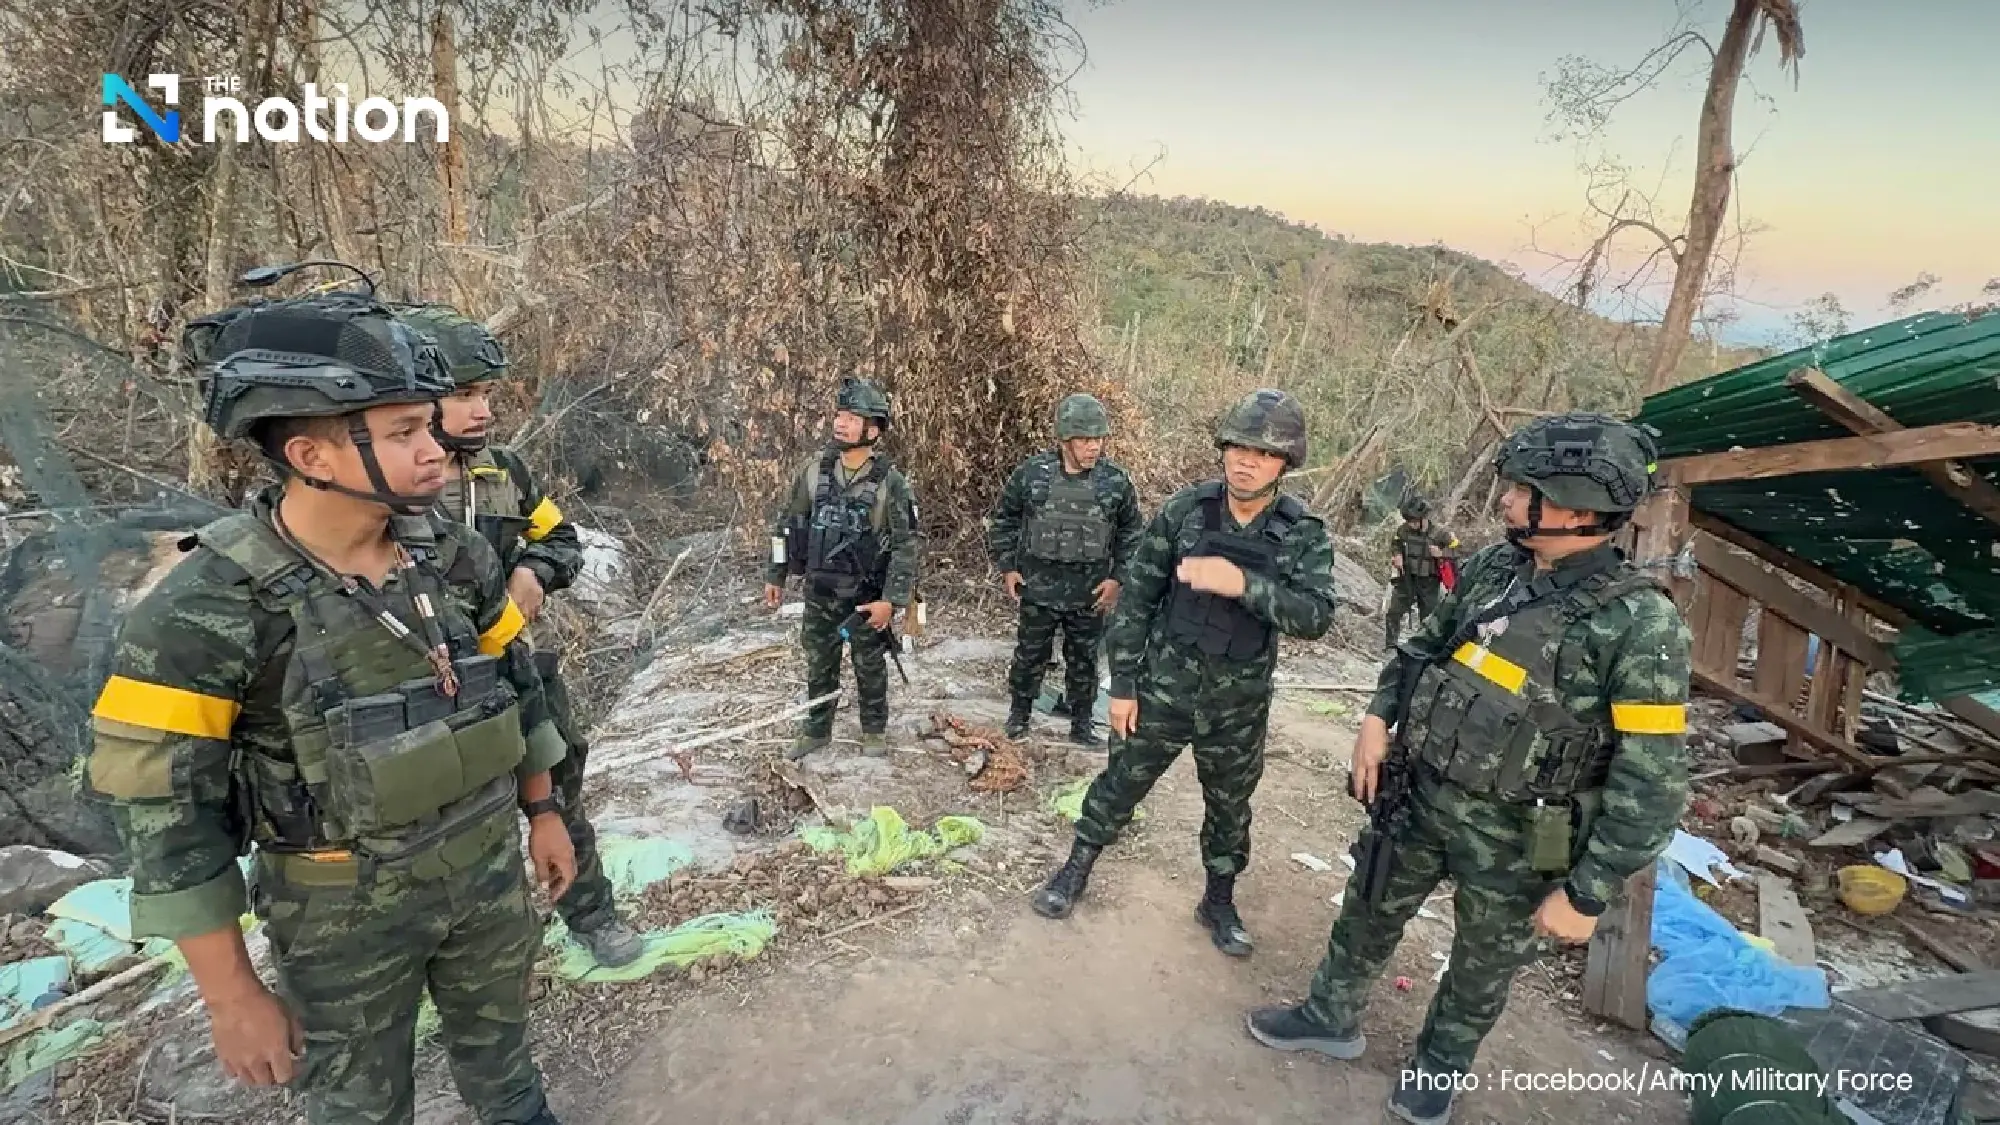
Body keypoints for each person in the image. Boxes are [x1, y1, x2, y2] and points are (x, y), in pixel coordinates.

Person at [84, 291, 575, 1124]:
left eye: (429, 426)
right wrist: (231, 994)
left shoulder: (450, 556)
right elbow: (165, 818)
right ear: (310, 452)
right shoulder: (205, 611)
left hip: (485, 876)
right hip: (341, 919)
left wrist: (544, 811)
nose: (437, 451)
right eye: (403, 435)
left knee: (507, 1068)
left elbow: (514, 684)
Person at [1245, 412, 1692, 1125]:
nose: (1507, 501)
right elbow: (1421, 647)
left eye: (1522, 489)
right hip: (1419, 794)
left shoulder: (1642, 625)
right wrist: (1374, 718)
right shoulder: (1493, 567)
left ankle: (1439, 1066)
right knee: (1367, 909)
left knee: (1485, 963)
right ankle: (1330, 1014)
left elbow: (1654, 783)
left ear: (1577, 508)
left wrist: (1587, 890)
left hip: (1520, 837)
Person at [1030, 388, 1337, 956]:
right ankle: (1074, 870)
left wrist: (1247, 586)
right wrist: (1122, 686)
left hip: (1238, 705)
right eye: (1238, 447)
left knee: (1229, 806)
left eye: (1263, 453)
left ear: (1284, 464)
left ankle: (1217, 900)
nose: (1246, 460)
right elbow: (1137, 602)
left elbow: (1316, 616)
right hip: (1163, 690)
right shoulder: (1186, 511)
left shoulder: (1302, 534)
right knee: (1119, 784)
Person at [399, 304, 644, 969]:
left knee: (559, 801)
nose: (481, 410)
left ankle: (593, 915)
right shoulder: (384, 493)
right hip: (427, 699)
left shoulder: (504, 472)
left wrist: (535, 572)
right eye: (463, 394)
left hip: (516, 674)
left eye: (485, 394)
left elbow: (560, 537)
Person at [763, 378, 920, 759]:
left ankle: (874, 731)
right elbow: (787, 524)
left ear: (873, 429)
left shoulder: (892, 483)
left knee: (869, 666)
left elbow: (906, 545)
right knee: (819, 662)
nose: (840, 423)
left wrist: (892, 601)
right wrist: (776, 574)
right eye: (838, 415)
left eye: (851, 417)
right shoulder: (815, 471)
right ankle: (817, 729)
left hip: (866, 598)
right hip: (819, 591)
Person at [988, 393, 1144, 746]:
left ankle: (1082, 723)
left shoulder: (1115, 482)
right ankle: (1019, 716)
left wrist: (1118, 579)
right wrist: (1008, 567)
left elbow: (1132, 533)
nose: (1094, 447)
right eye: (1085, 440)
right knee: (1029, 655)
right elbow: (1005, 519)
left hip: (1088, 592)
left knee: (1085, 661)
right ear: (1064, 439)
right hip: (1037, 587)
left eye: (1099, 439)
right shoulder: (1032, 475)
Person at [1384, 495, 1459, 651]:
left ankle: (1422, 650)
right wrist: (1396, 555)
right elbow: (1396, 542)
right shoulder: (1403, 530)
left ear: (1424, 518)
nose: (1411, 524)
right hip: (1407, 578)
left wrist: (1441, 553)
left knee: (1429, 619)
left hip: (1429, 582)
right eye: (1409, 521)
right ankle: (1390, 645)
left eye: (1414, 521)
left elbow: (1457, 549)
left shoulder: (1440, 533)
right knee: (1394, 612)